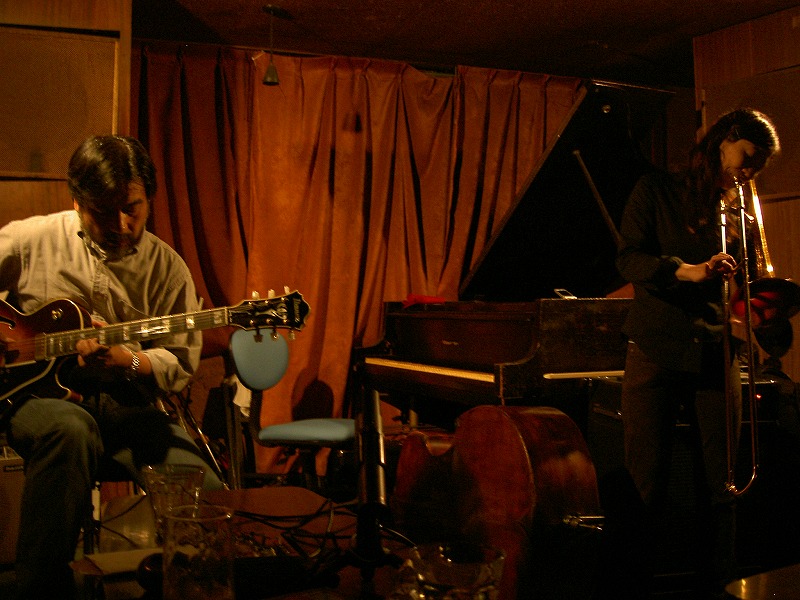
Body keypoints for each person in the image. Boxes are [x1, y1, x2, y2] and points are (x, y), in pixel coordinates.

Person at [0, 135, 223, 599]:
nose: (122, 224)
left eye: (132, 208)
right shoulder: (30, 241)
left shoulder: (168, 269)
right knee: (70, 428)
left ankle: (205, 581)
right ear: (77, 203)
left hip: (129, 409)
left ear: (148, 199)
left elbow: (179, 361)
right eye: (104, 212)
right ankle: (39, 589)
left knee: (198, 485)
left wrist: (129, 359)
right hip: (35, 400)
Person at [613, 108, 781, 598]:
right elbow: (628, 258)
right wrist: (686, 270)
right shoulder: (656, 190)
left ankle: (724, 586)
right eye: (748, 157)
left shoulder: (740, 209)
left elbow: (751, 286)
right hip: (656, 347)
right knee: (646, 482)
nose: (750, 171)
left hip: (715, 347)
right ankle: (633, 587)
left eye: (759, 166)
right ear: (725, 140)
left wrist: (759, 311)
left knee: (725, 483)